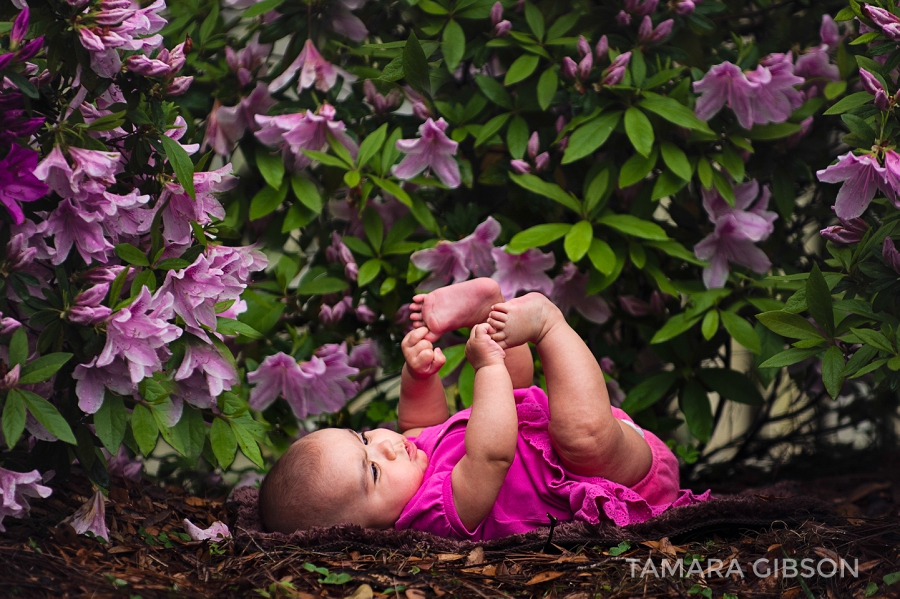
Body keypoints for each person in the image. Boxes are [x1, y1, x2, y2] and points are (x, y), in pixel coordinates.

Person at [258, 278, 709, 540]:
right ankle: (547, 321)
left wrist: (419, 376)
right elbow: (492, 457)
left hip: (532, 424)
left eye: (363, 438)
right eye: (372, 472)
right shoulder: (429, 516)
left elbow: (421, 425)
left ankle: (489, 311)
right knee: (581, 437)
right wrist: (488, 366)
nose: (387, 447)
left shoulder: (407, 461)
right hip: (609, 475)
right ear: (366, 531)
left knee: (512, 390)